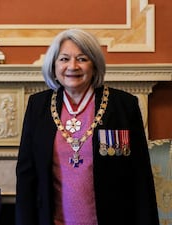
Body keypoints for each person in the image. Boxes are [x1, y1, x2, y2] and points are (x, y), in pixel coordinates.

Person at [15, 28, 159, 225]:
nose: (72, 66)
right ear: (54, 65)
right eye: (64, 59)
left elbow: (140, 177)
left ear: (94, 65)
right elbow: (26, 177)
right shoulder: (37, 106)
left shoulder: (123, 105)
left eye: (82, 59)